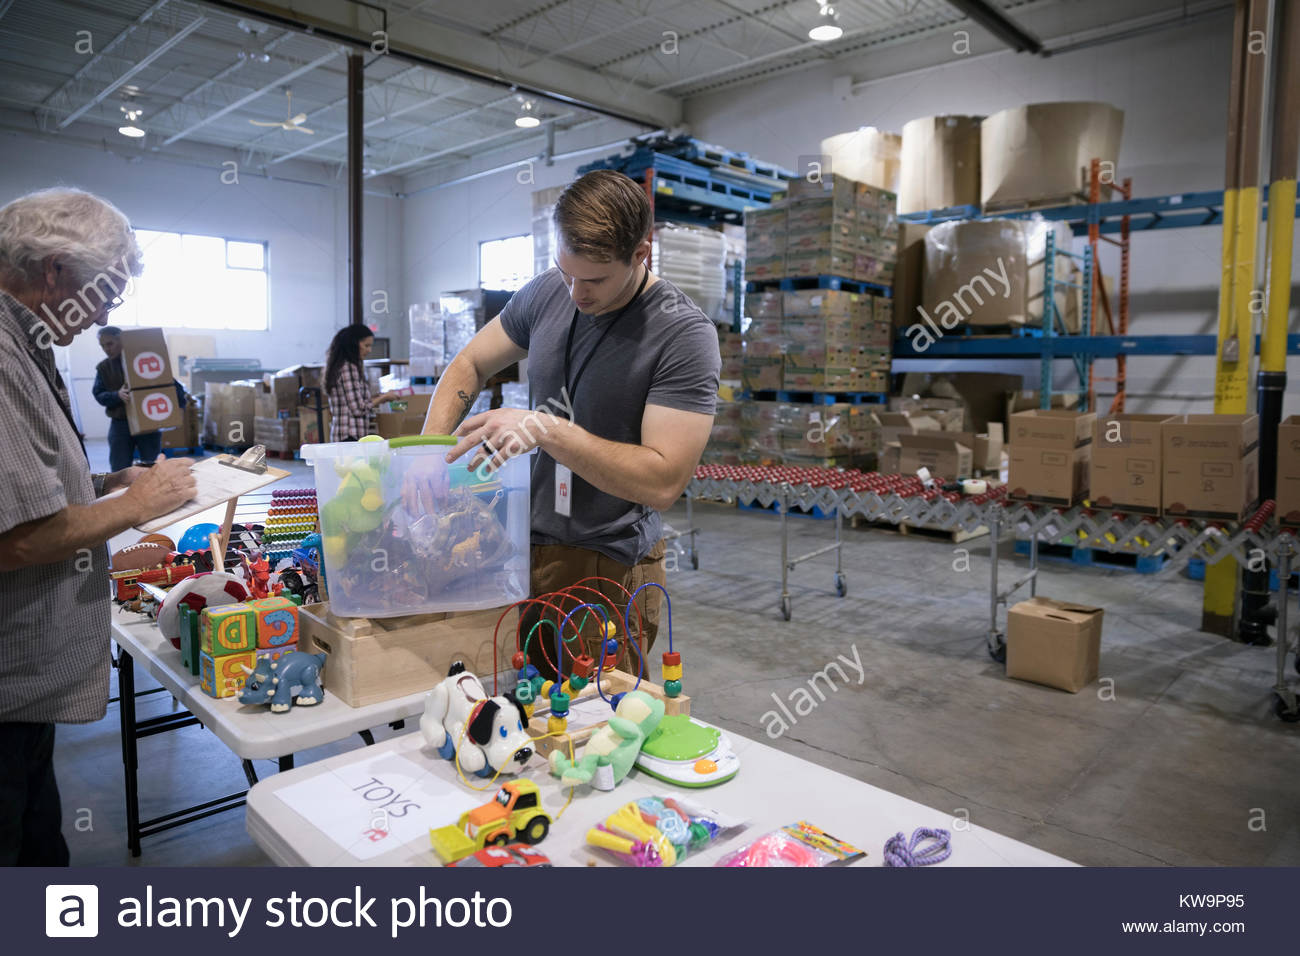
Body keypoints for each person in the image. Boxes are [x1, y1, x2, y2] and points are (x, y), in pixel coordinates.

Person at [420, 169, 721, 679]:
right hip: (519, 545)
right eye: (567, 272)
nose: (577, 293)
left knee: (596, 725)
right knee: (520, 713)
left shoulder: (682, 335)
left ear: (641, 254)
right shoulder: (545, 294)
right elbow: (469, 364)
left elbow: (663, 480)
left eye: (596, 279)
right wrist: (425, 458)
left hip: (606, 563)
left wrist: (545, 429)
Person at [0, 187, 197, 865]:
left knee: (37, 840)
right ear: (55, 270)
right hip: (6, 678)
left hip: (24, 690)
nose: (110, 313)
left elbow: (28, 484)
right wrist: (137, 508)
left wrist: (109, 485)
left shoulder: (25, 345)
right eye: (105, 290)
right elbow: (17, 539)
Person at [324, 324, 400, 441]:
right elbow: (358, 408)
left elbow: (355, 400)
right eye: (366, 345)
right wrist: (383, 398)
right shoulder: (348, 368)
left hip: (346, 435)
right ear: (354, 344)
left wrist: (380, 396)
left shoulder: (344, 366)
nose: (369, 350)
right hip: (349, 436)